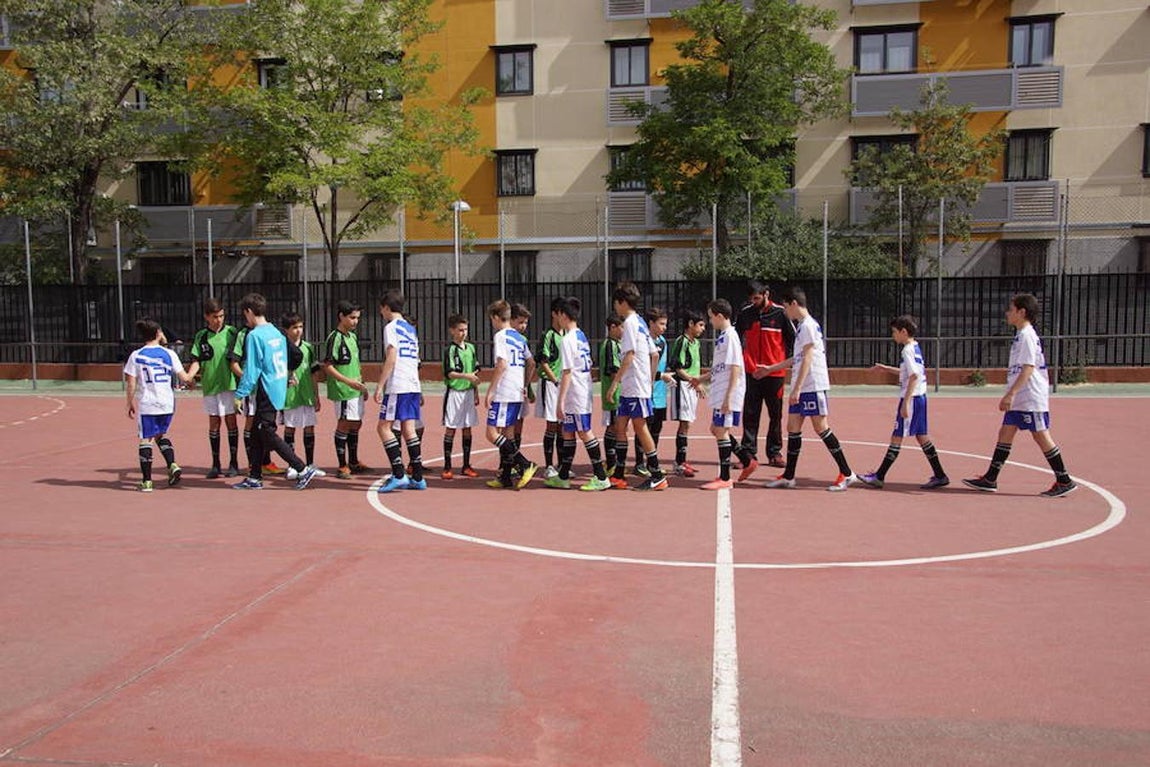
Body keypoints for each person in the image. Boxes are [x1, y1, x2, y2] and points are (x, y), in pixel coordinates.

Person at [962, 293, 1077, 497]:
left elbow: (1028, 368)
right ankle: (990, 478)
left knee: (1041, 435)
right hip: (1021, 398)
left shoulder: (1027, 336)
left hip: (1030, 396)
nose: (1008, 313)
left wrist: (1011, 394)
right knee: (1005, 433)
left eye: (1011, 309)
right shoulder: (1021, 335)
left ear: (1022, 312)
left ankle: (1064, 479)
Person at [761, 287, 857, 492]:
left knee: (821, 427)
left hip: (812, 385)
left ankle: (847, 473)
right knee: (792, 427)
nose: (785, 311)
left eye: (786, 306)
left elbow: (807, 358)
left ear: (794, 304)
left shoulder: (808, 326)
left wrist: (796, 389)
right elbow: (797, 358)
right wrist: (770, 368)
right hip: (803, 386)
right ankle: (789, 476)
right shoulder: (802, 327)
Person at [231, 293, 318, 490]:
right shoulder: (276, 332)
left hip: (267, 389)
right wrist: (288, 373)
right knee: (256, 433)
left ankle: (301, 468)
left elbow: (252, 369)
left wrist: (240, 394)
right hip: (278, 387)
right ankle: (254, 477)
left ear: (249, 312)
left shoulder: (254, 336)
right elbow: (296, 355)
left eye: (245, 314)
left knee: (266, 431)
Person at [858, 316, 949, 490]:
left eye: (894, 332)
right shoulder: (915, 347)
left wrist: (906, 402)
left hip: (912, 398)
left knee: (897, 436)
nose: (893, 335)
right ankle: (940, 475)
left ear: (904, 332)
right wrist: (886, 368)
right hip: (920, 397)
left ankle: (879, 476)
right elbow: (909, 372)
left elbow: (913, 376)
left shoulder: (907, 350)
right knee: (921, 436)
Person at [605, 282, 668, 491]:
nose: (615, 307)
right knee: (620, 426)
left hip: (634, 386)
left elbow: (630, 355)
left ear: (622, 302)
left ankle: (657, 474)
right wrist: (649, 381)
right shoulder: (640, 321)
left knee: (640, 427)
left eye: (616, 303)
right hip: (634, 386)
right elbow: (654, 354)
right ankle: (619, 474)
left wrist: (614, 384)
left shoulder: (631, 323)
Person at [124, 318, 195, 492]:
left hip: (148, 402)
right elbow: (185, 378)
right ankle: (172, 465)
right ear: (158, 333)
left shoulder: (136, 355)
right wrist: (196, 365)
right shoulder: (169, 354)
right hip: (167, 403)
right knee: (160, 435)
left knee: (145, 439)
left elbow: (131, 383)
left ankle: (147, 481)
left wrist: (129, 402)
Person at [549, 296, 611, 491]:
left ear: (562, 315)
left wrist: (560, 401)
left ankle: (601, 476)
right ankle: (563, 476)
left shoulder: (567, 340)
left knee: (584, 432)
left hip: (576, 393)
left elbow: (567, 372)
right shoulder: (581, 335)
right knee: (568, 432)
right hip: (582, 389)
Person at [698, 300, 757, 490]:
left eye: (711, 317)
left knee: (721, 430)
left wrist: (728, 397)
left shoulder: (731, 336)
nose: (710, 321)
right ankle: (746, 460)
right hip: (721, 390)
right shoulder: (723, 337)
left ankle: (725, 478)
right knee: (716, 428)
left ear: (720, 316)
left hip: (728, 392)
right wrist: (701, 379)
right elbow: (720, 367)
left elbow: (735, 368)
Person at [736, 280, 795, 470]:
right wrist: (744, 363)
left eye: (757, 298)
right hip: (752, 373)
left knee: (775, 414)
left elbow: (794, 341)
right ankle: (748, 454)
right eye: (751, 299)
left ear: (766, 294)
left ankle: (774, 452)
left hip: (774, 373)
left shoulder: (781, 313)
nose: (754, 302)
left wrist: (780, 363)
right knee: (750, 414)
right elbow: (735, 341)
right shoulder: (745, 314)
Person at [374, 290, 426, 493]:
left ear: (387, 307)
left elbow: (392, 356)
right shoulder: (410, 328)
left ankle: (398, 474)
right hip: (412, 383)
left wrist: (380, 385)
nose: (381, 312)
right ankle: (418, 477)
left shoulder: (391, 327)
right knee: (408, 428)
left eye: (381, 308)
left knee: (383, 427)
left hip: (398, 383)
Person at [485, 300, 538, 489]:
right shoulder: (520, 338)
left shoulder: (501, 336)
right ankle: (505, 477)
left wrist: (491, 390)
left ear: (495, 317)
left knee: (491, 433)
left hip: (505, 390)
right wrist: (525, 384)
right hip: (516, 391)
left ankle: (525, 464)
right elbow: (531, 362)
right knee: (508, 434)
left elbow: (502, 364)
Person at [186, 297, 240, 478]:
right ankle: (216, 464)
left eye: (221, 316)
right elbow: (196, 360)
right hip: (210, 386)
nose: (219, 320)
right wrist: (189, 376)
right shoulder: (201, 336)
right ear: (207, 317)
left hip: (229, 384)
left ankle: (233, 463)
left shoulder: (232, 332)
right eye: (215, 317)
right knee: (214, 423)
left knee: (231, 422)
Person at [323, 300, 371, 479]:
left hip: (355, 390)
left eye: (357, 318)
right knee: (344, 423)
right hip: (343, 390)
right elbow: (327, 366)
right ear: (341, 316)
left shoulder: (353, 337)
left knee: (356, 423)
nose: (355, 321)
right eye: (352, 317)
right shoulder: (334, 338)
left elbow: (356, 364)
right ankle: (342, 465)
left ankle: (354, 461)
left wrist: (362, 385)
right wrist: (348, 382)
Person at [228, 320, 281, 476]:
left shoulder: (268, 331)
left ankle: (266, 462)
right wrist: (248, 379)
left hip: (268, 387)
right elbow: (234, 363)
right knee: (251, 423)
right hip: (252, 389)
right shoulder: (243, 334)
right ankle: (253, 464)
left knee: (266, 424)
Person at [279, 312, 326, 482]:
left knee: (309, 427)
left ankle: (310, 464)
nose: (298, 330)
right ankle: (292, 465)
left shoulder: (308, 348)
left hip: (306, 394)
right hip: (289, 395)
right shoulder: (281, 348)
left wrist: (316, 395)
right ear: (286, 330)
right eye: (294, 327)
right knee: (290, 428)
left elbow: (314, 373)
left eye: (300, 327)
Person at [441, 313, 481, 480]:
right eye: (460, 330)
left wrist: (475, 390)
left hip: (469, 393)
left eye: (465, 329)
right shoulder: (450, 350)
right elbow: (449, 373)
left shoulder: (471, 348)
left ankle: (466, 465)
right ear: (452, 330)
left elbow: (475, 371)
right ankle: (447, 467)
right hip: (455, 393)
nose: (463, 333)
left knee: (467, 427)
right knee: (451, 427)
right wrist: (467, 376)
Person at [667, 310, 705, 477]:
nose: (703, 328)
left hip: (691, 386)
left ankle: (682, 461)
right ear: (690, 324)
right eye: (700, 325)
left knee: (687, 424)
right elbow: (677, 367)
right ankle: (679, 463)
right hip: (682, 386)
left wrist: (697, 381)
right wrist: (693, 381)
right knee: (684, 423)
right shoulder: (681, 341)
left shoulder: (696, 343)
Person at [634, 307, 669, 477]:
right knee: (643, 428)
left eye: (665, 324)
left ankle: (651, 462)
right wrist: (660, 376)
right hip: (645, 392)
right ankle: (639, 463)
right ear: (651, 323)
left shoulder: (663, 342)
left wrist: (661, 377)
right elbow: (643, 369)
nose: (664, 327)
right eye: (661, 324)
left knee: (656, 429)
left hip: (660, 394)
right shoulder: (643, 341)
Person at [535, 299, 565, 478]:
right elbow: (543, 361)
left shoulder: (567, 334)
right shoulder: (548, 335)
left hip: (563, 385)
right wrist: (555, 380)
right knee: (552, 424)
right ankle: (548, 466)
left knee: (562, 426)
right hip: (551, 384)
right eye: (561, 313)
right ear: (554, 313)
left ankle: (562, 465)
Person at [599, 315, 623, 472]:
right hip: (613, 394)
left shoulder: (618, 344)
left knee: (618, 427)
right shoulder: (610, 345)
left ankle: (613, 462)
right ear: (613, 327)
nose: (624, 331)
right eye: (622, 327)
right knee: (612, 427)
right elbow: (613, 370)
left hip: (619, 393)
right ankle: (611, 463)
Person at [509, 303, 534, 455]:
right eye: (520, 322)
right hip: (515, 387)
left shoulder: (509, 338)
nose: (523, 326)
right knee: (514, 423)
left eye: (525, 323)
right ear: (510, 320)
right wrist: (526, 385)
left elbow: (530, 364)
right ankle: (513, 458)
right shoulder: (517, 339)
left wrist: (527, 387)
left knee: (512, 424)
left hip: (515, 387)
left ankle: (511, 459)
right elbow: (531, 363)